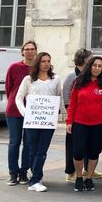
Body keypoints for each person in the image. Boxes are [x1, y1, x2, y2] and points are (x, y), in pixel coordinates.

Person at [15, 52, 63, 192]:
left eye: (48, 61)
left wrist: (62, 114)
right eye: (43, 61)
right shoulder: (28, 80)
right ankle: (37, 175)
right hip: (32, 121)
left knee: (42, 150)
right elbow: (19, 97)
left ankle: (35, 180)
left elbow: (59, 97)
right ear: (38, 63)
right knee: (32, 149)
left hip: (48, 121)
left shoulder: (56, 79)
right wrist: (25, 113)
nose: (46, 63)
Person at [66, 56, 102, 192]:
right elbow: (73, 103)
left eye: (100, 66)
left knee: (94, 153)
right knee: (78, 152)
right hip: (79, 123)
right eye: (94, 65)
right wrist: (69, 121)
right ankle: (79, 177)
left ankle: (89, 178)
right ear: (89, 66)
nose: (97, 68)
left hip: (98, 124)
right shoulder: (79, 81)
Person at [5, 40, 37, 186]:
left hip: (33, 111)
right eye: (27, 49)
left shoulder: (38, 69)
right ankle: (13, 173)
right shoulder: (14, 67)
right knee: (14, 142)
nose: (30, 51)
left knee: (29, 143)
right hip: (14, 110)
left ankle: (24, 172)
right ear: (22, 51)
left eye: (32, 49)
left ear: (36, 51)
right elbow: (9, 88)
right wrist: (15, 101)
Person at [63, 48, 96, 182]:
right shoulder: (72, 75)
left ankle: (88, 168)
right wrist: (70, 113)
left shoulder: (91, 74)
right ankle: (70, 171)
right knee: (72, 145)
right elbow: (66, 95)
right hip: (75, 116)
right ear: (84, 59)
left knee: (88, 144)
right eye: (91, 58)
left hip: (89, 117)